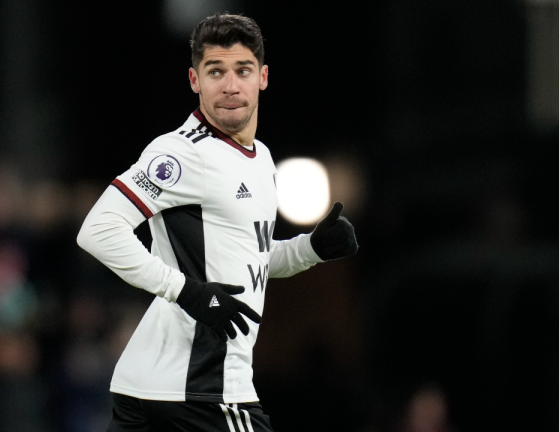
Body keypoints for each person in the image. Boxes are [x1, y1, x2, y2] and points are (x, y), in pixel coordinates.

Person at [77, 13, 358, 432]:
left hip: (153, 387)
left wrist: (309, 249)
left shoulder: (260, 158)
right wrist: (187, 291)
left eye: (242, 70)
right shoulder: (181, 153)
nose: (230, 85)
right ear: (194, 80)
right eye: (215, 72)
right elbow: (98, 231)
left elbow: (243, 263)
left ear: (262, 77)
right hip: (198, 389)